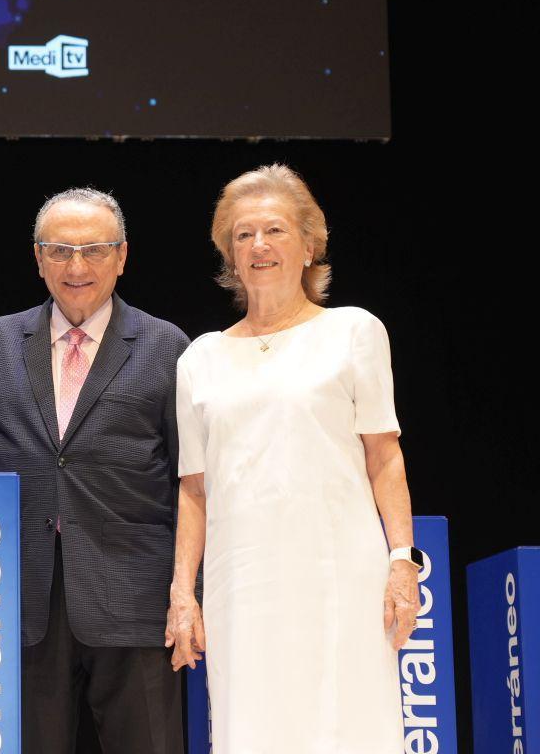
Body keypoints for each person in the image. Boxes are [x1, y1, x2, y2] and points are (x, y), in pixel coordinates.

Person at [166, 164, 421, 752]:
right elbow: (193, 488)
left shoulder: (354, 332)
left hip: (342, 578)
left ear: (310, 245)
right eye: (243, 234)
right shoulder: (200, 359)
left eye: (276, 231)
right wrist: (184, 594)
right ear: (229, 254)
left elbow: (385, 456)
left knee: (346, 723)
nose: (259, 246)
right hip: (243, 584)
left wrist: (403, 561)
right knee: (251, 725)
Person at [0, 188, 189, 754]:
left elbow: (193, 481)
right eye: (59, 251)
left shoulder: (167, 346)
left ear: (122, 255)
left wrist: (190, 594)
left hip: (139, 602)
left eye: (94, 250)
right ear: (37, 258)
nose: (76, 267)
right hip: (19, 601)